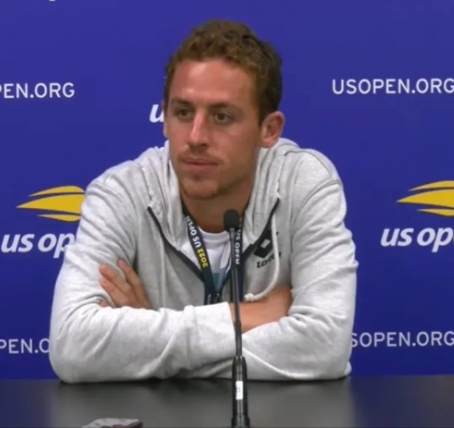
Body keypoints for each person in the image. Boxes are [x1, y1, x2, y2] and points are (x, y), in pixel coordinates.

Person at [48, 19, 358, 383]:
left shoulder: (304, 182)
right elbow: (73, 347)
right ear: (164, 118)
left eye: (221, 117)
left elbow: (324, 347)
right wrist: (238, 316)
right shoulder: (122, 193)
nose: (195, 136)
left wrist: (147, 344)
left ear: (269, 129)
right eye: (182, 113)